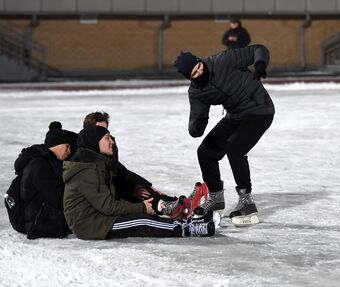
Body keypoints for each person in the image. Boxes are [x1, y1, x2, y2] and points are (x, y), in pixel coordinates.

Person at [174, 45, 275, 225]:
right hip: (235, 116)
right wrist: (196, 127)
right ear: (189, 77)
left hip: (260, 109)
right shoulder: (196, 92)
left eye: (199, 66)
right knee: (205, 152)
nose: (200, 72)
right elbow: (198, 118)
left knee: (234, 147)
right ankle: (215, 197)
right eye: (195, 73)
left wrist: (260, 64)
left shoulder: (223, 60)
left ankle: (246, 201)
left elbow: (258, 49)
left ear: (199, 60)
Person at [62, 125, 216, 240]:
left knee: (145, 216)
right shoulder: (87, 170)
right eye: (107, 138)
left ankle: (186, 221)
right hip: (91, 225)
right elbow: (107, 205)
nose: (112, 142)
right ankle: (188, 229)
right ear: (95, 142)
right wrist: (141, 207)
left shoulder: (97, 164)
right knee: (143, 222)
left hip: (99, 217)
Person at [82, 111, 205, 218]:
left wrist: (146, 185)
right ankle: (176, 207)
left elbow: (121, 171)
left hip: (117, 190)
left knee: (144, 189)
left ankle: (181, 203)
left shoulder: (110, 144)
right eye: (99, 130)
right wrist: (131, 190)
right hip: (108, 199)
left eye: (106, 130)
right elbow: (108, 183)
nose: (105, 134)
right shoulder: (86, 153)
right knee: (141, 193)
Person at [17, 121, 76, 239]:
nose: (69, 151)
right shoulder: (40, 165)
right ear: (57, 145)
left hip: (48, 221)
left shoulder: (51, 162)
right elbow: (58, 198)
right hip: (41, 224)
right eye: (67, 146)